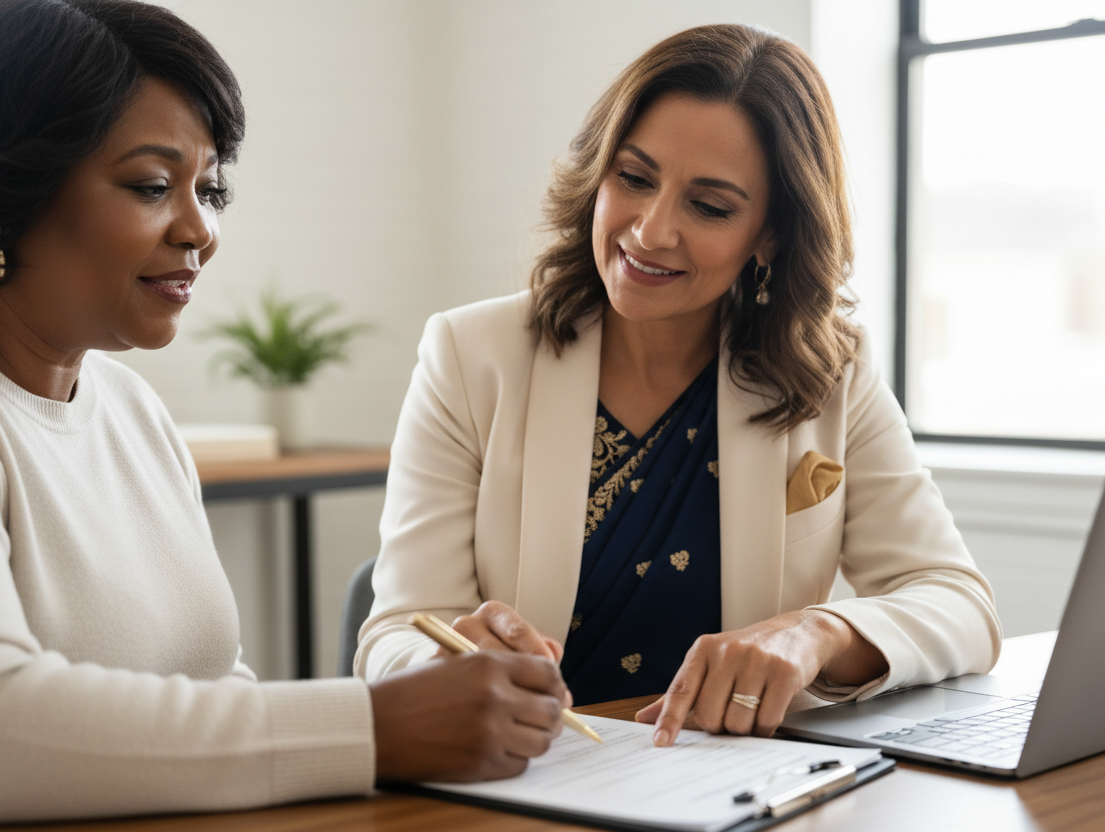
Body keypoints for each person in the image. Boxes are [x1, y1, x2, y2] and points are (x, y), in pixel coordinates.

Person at [0, 1, 566, 827]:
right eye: (153, 186)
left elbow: (208, 690)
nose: (200, 230)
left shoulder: (130, 410)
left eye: (210, 188)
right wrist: (375, 726)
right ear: (0, 190)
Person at [356, 23, 1001, 747]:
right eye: (633, 178)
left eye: (710, 206)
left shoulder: (833, 369)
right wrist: (448, 660)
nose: (650, 231)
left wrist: (816, 632)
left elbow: (962, 608)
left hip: (739, 787)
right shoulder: (471, 355)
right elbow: (392, 636)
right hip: (531, 776)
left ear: (772, 234)